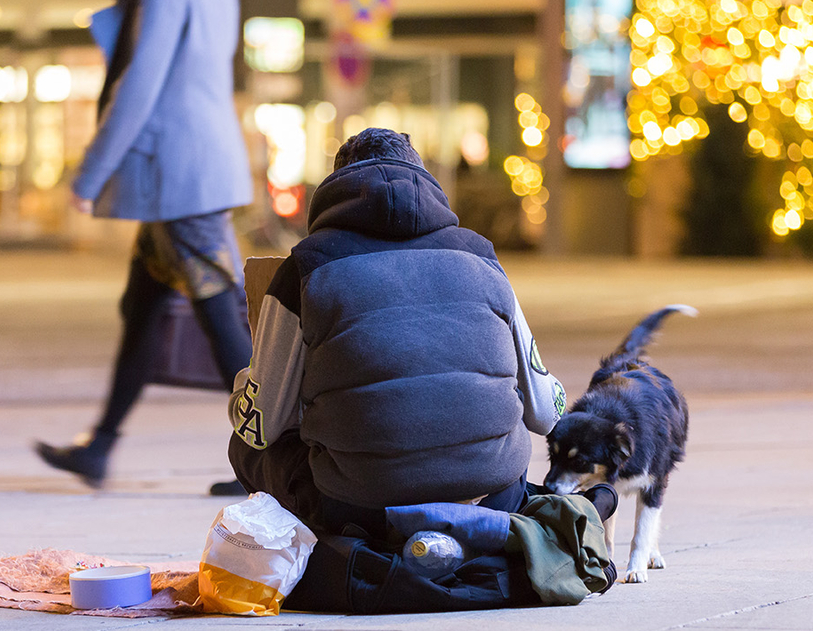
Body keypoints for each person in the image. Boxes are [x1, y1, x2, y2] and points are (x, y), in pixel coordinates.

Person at [227, 128, 572, 539]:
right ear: (424, 179)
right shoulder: (481, 256)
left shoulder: (305, 268)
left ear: (336, 188)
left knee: (244, 447)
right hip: (495, 499)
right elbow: (547, 414)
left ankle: (336, 552)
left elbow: (260, 425)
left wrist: (242, 388)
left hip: (361, 511)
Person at [35, 0, 253, 491]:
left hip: (178, 177)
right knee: (144, 309)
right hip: (183, 172)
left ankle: (273, 459)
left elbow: (140, 84)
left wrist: (90, 174)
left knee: (221, 316)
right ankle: (101, 445)